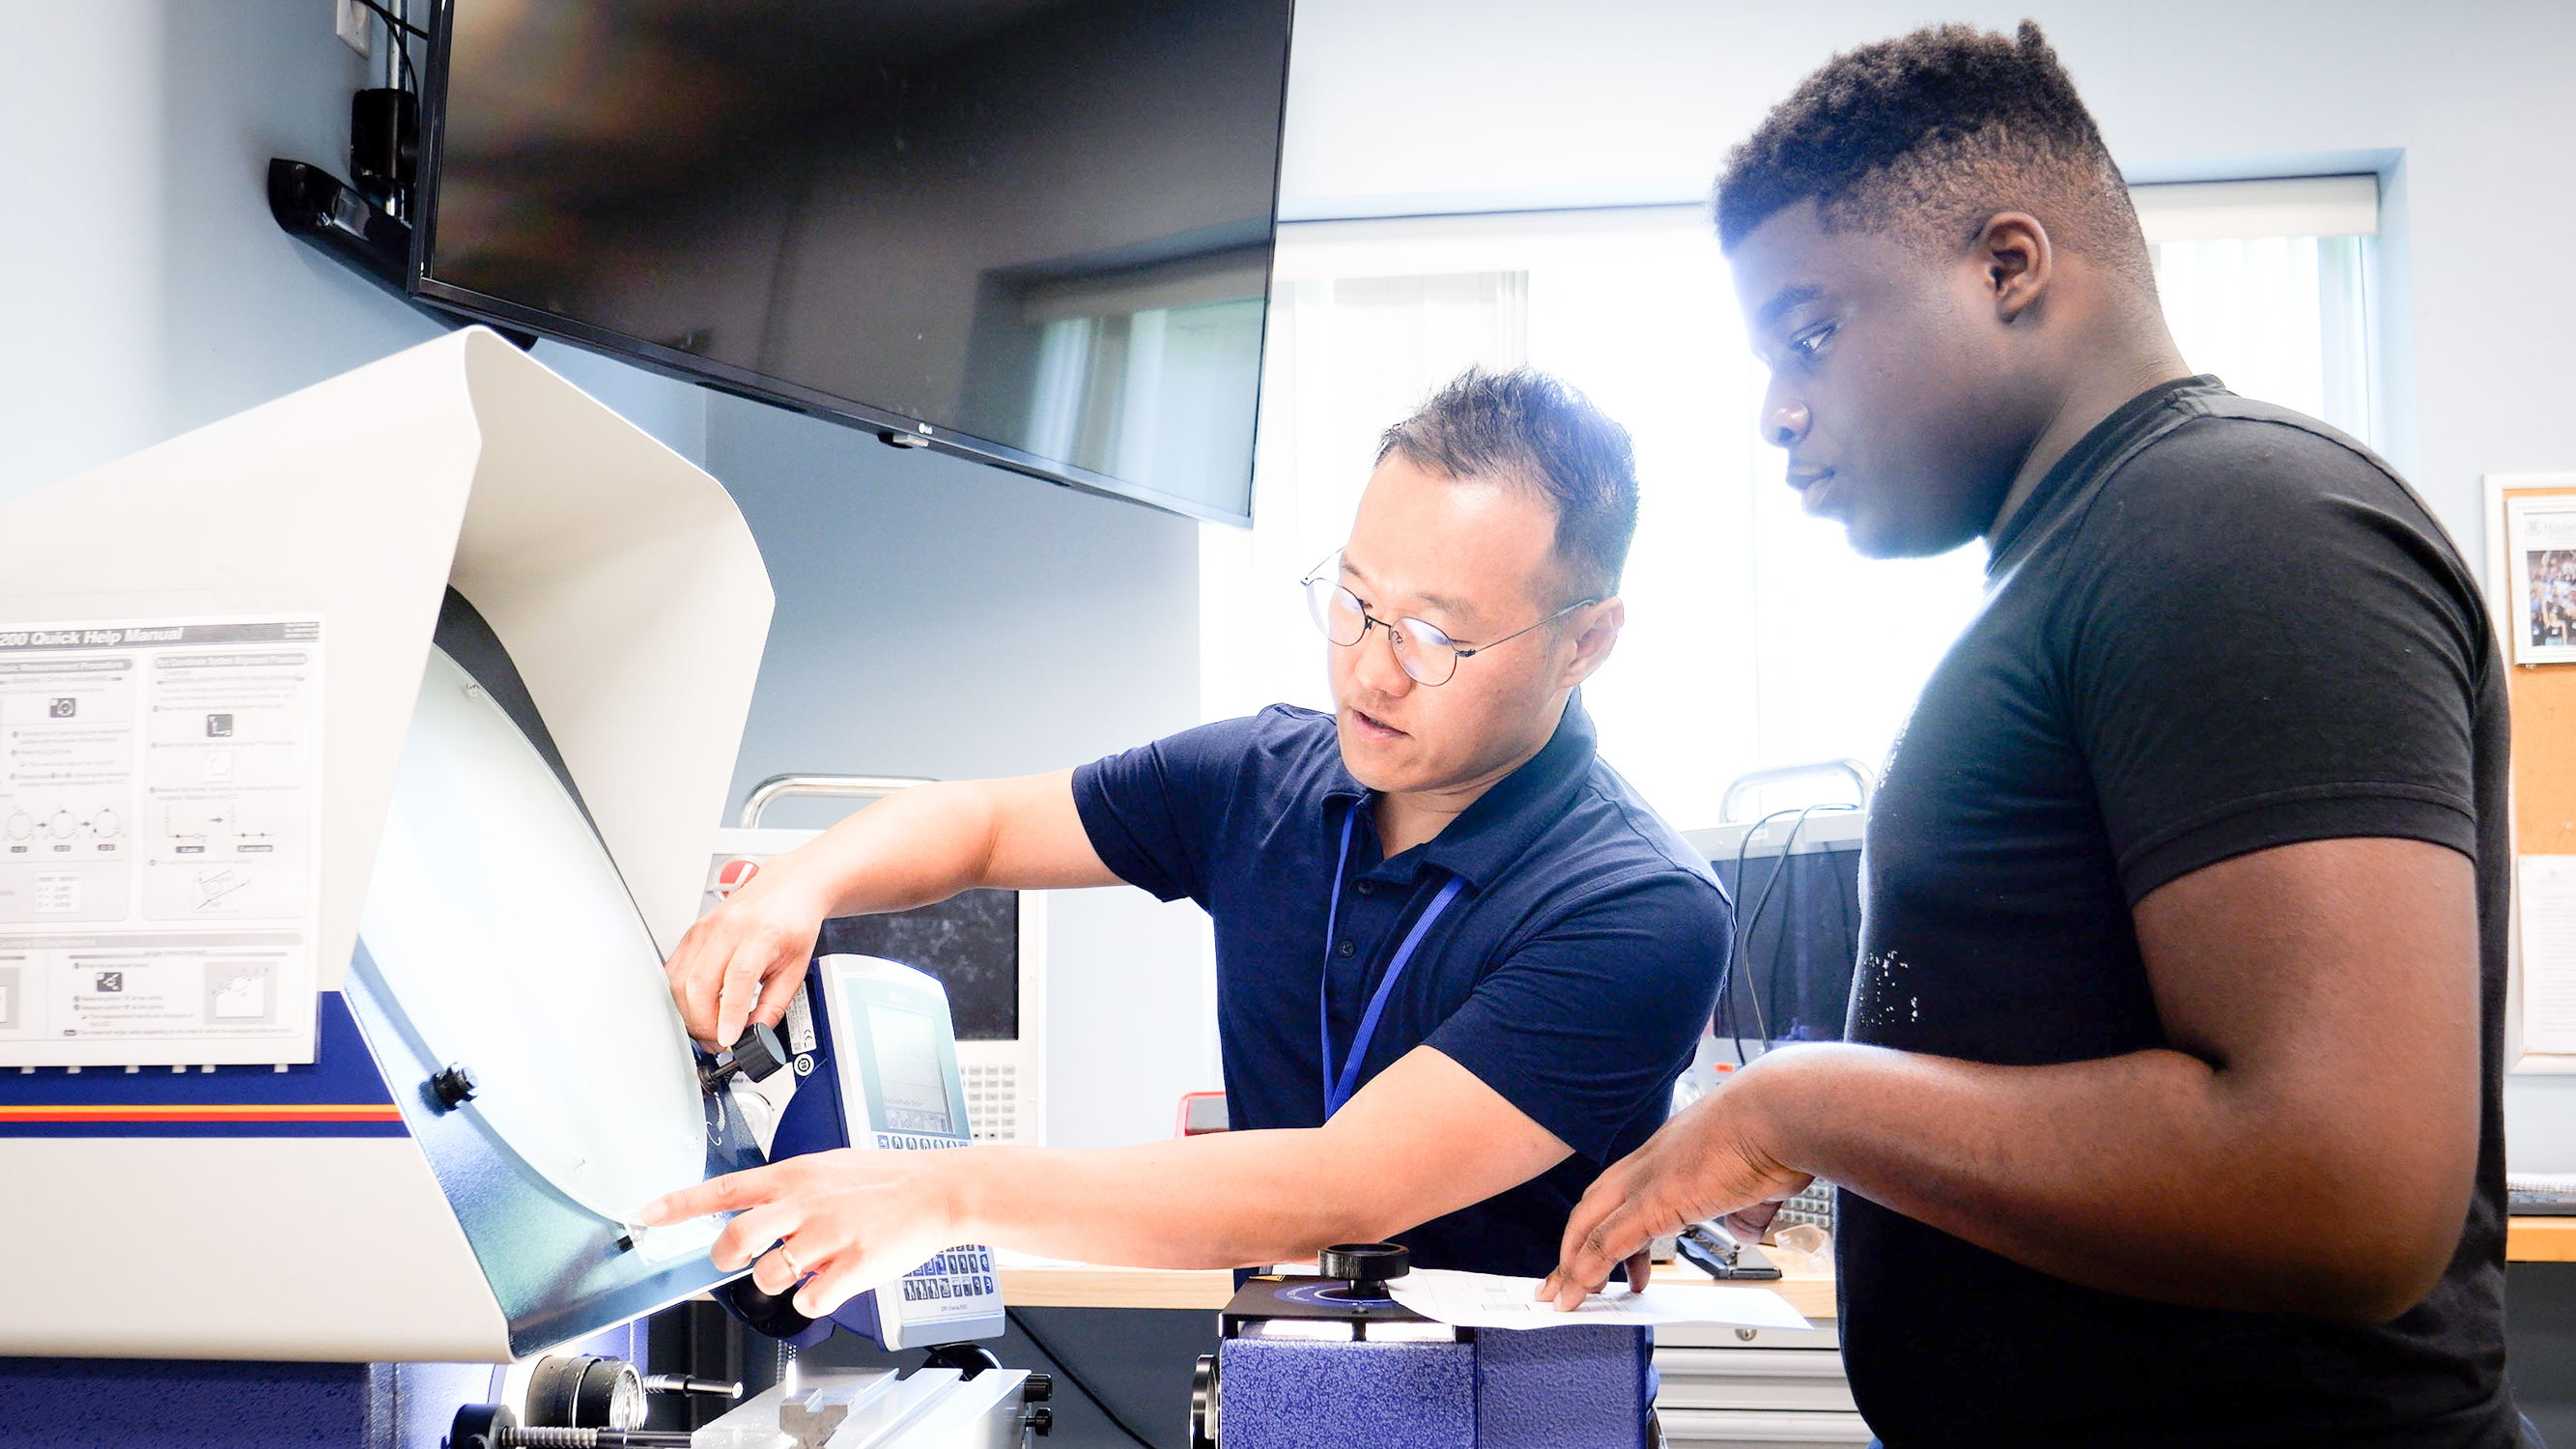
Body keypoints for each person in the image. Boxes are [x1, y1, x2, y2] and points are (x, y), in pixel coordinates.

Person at [1541, 22, 2529, 1448]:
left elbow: (2345, 1187)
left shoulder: (2239, 526)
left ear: (2007, 266)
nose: (1774, 410)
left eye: (1808, 331)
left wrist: (1803, 1105)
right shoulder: (2094, 560)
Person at [640, 369, 1731, 1319]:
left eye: (1438, 637)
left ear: (1587, 640)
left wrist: (946, 1192)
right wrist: (794, 884)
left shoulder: (1640, 909)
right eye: (1352, 600)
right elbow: (979, 826)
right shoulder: (1263, 779)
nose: (1371, 670)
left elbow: (1344, 1186)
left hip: (1512, 1402)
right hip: (1287, 1373)